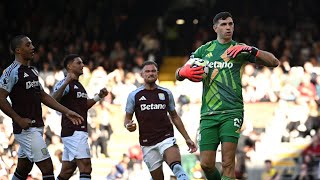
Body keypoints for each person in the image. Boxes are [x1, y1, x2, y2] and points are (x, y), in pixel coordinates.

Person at [175, 12, 279, 180]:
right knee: (206, 165)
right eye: (224, 24)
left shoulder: (239, 49)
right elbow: (178, 74)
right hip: (208, 114)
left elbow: (274, 62)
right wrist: (182, 72)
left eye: (231, 24)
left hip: (232, 112)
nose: (228, 27)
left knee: (227, 164)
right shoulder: (204, 50)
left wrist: (252, 50)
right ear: (215, 28)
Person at [0, 35, 83, 180]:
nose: (33, 47)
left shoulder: (32, 71)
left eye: (32, 44)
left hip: (37, 126)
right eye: (28, 45)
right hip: (26, 129)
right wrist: (18, 119)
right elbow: (0, 98)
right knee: (47, 169)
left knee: (23, 169)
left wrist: (67, 111)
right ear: (18, 50)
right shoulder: (11, 71)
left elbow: (43, 96)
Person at [124, 60, 197, 180]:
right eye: (147, 71)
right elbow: (127, 119)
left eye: (153, 71)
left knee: (177, 168)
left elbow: (174, 116)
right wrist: (129, 126)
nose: (150, 73)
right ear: (142, 74)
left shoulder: (166, 93)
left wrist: (187, 138)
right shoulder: (134, 96)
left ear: (157, 73)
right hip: (147, 143)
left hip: (166, 137)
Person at [52, 54, 109, 180]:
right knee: (85, 166)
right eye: (79, 63)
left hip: (78, 131)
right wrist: (66, 81)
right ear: (69, 66)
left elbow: (83, 106)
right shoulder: (64, 83)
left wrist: (98, 96)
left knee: (67, 171)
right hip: (73, 130)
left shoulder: (79, 85)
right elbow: (53, 100)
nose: (82, 65)